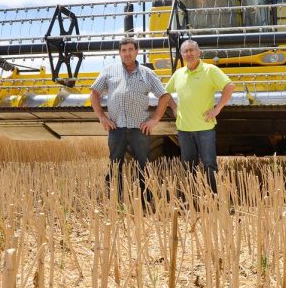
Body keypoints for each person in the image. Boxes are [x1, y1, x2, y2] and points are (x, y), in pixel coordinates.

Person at [90, 37, 174, 209]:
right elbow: (94, 93)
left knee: (143, 163)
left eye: (130, 49)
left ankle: (145, 200)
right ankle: (114, 200)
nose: (127, 53)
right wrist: (102, 117)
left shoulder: (147, 73)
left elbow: (164, 96)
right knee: (115, 163)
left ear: (137, 51)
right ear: (119, 53)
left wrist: (155, 119)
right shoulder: (109, 71)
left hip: (139, 128)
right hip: (116, 128)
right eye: (123, 50)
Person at [165, 40, 234, 193]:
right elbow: (165, 93)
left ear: (199, 52)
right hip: (184, 129)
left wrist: (217, 109)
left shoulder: (210, 70)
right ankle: (192, 197)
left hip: (205, 127)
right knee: (188, 165)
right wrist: (174, 107)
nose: (189, 54)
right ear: (182, 55)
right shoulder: (178, 74)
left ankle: (213, 197)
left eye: (192, 50)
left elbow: (229, 86)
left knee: (209, 164)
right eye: (185, 51)